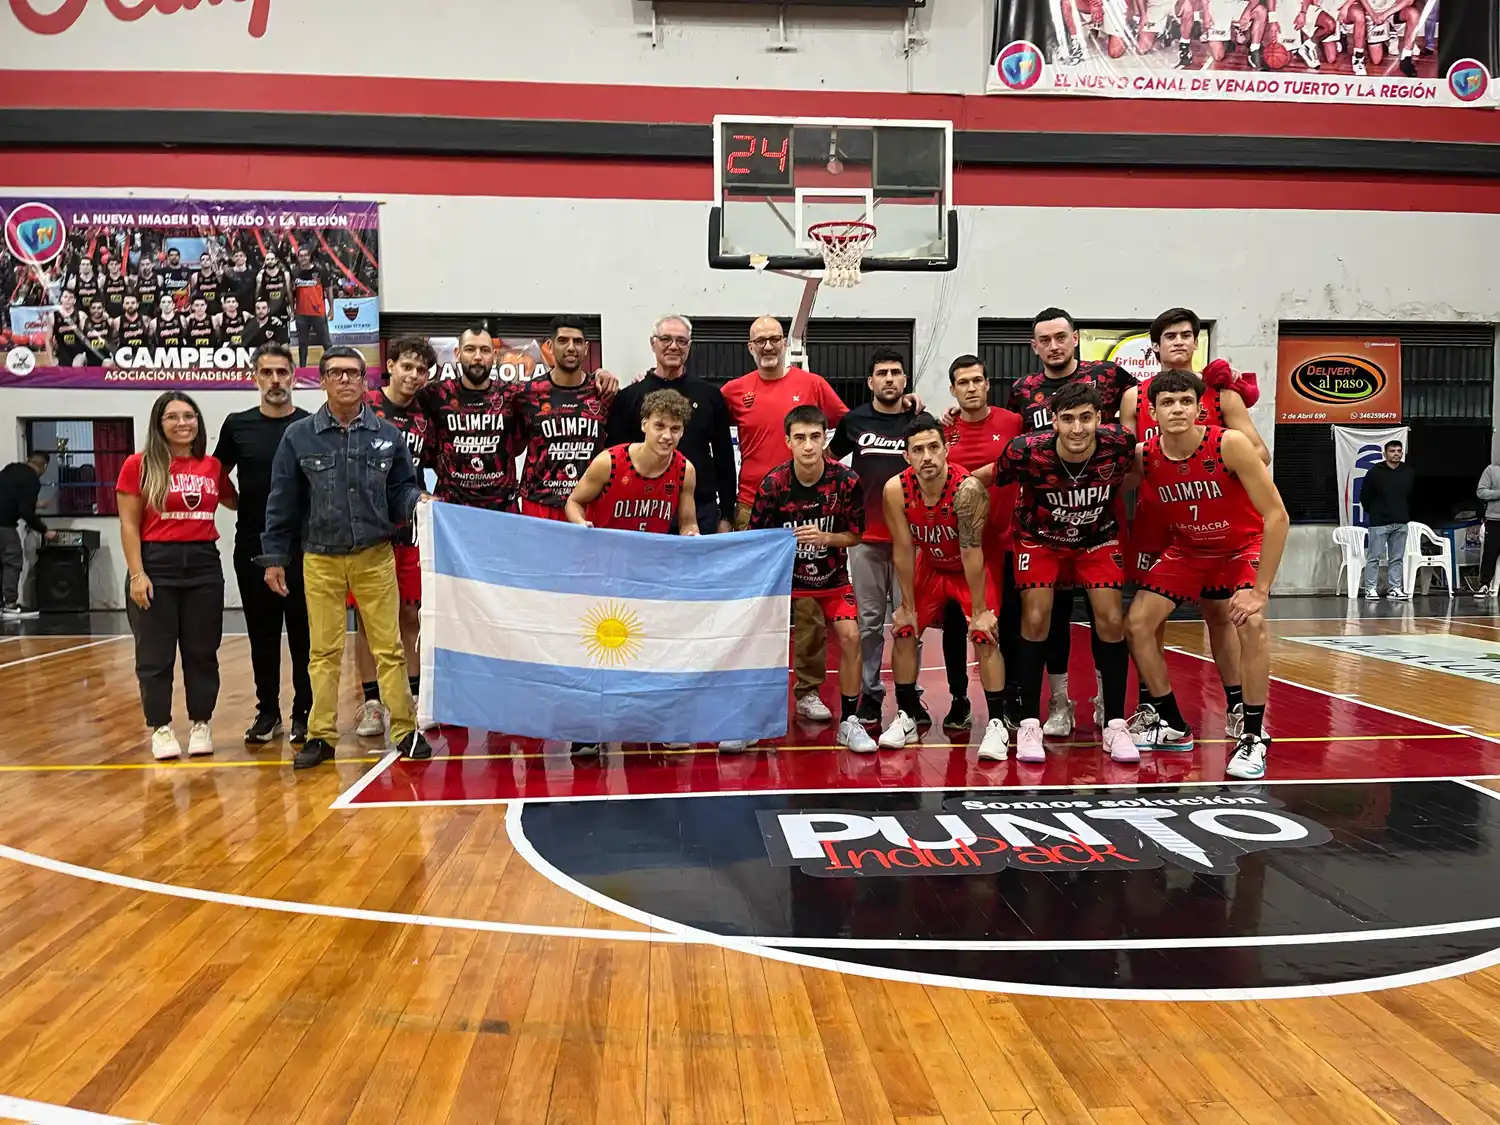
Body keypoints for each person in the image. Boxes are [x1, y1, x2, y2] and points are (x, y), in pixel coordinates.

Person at [259, 347, 431, 769]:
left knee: (389, 647)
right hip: (319, 559)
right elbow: (281, 501)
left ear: (365, 381)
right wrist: (275, 557)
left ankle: (406, 731)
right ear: (322, 381)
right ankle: (320, 735)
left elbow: (401, 490)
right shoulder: (298, 436)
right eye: (336, 373)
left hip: (375, 556)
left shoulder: (388, 436)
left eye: (354, 373)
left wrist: (419, 501)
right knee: (323, 651)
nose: (346, 380)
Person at [1125, 369, 1289, 781]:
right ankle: (1174, 725)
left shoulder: (1228, 444)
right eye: (1167, 403)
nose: (1177, 409)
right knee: (1137, 623)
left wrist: (1261, 591)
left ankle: (1252, 735)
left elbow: (1276, 516)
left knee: (1250, 622)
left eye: (1185, 402)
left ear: (1200, 408)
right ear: (1153, 412)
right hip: (1188, 550)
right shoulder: (1146, 456)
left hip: (1240, 548)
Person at [1120, 308, 1269, 737]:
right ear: (1157, 346)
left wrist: (1210, 459)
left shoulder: (1221, 394)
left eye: (1187, 335)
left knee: (1220, 615)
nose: (1179, 342)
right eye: (1170, 336)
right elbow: (1124, 458)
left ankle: (1239, 706)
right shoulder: (1136, 397)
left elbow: (1261, 454)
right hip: (1156, 515)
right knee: (1150, 619)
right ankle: (1154, 708)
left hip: (1215, 518)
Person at [975, 382, 1138, 764]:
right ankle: (1031, 722)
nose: (1077, 428)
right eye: (1068, 419)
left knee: (1112, 618)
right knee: (1035, 617)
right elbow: (984, 476)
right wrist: (954, 488)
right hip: (1039, 538)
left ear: (1100, 419)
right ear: (1053, 422)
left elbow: (1144, 472)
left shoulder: (1120, 444)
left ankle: (1115, 724)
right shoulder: (1025, 451)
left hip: (1096, 537)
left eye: (1085, 418)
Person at [1008, 308, 1135, 738]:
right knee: (1047, 618)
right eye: (1045, 339)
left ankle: (1108, 707)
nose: (1054, 345)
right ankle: (1057, 704)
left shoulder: (1109, 378)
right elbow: (1007, 439)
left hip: (1097, 520)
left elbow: (1145, 401)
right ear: (1034, 346)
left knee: (1109, 617)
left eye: (1061, 336)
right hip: (1044, 523)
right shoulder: (1024, 390)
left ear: (1076, 337)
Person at [723, 316, 849, 722]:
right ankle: (750, 690)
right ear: (749, 346)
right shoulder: (734, 391)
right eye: (759, 340)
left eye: (774, 338)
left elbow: (848, 423)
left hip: (808, 512)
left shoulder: (810, 384)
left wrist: (828, 470)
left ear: (785, 343)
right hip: (751, 510)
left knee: (809, 608)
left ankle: (809, 690)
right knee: (755, 607)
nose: (768, 346)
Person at [565, 388, 699, 757]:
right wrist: (580, 526)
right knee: (598, 652)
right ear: (644, 424)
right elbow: (574, 502)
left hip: (649, 574)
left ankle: (654, 722)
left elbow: (687, 521)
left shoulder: (684, 470)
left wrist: (691, 535)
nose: (666, 435)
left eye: (675, 428)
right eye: (659, 426)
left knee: (651, 651)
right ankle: (588, 728)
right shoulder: (609, 462)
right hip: (602, 571)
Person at [878, 415, 1009, 761]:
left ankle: (997, 723)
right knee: (904, 628)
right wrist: (906, 604)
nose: (927, 457)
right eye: (918, 450)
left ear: (946, 449)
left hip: (971, 568)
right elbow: (904, 550)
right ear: (906, 456)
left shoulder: (967, 489)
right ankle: (906, 714)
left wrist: (980, 611)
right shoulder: (895, 490)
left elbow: (972, 551)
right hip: (932, 566)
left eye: (934, 447)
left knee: (985, 634)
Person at [747, 405, 871, 754]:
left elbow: (856, 534)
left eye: (815, 437)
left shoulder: (847, 481)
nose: (808, 445)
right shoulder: (774, 484)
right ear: (788, 441)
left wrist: (827, 538)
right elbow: (757, 540)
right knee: (759, 641)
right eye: (800, 438)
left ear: (825, 439)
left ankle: (850, 721)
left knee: (850, 635)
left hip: (833, 580)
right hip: (784, 581)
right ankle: (752, 720)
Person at [117, 391, 228, 761]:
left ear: (198, 422)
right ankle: (161, 727)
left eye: (189, 416)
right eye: (173, 417)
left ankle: (201, 723)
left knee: (201, 650)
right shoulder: (139, 465)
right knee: (155, 653)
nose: (183, 423)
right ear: (159, 424)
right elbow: (129, 526)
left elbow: (237, 499)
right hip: (156, 564)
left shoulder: (212, 466)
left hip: (204, 565)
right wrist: (137, 574)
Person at [213, 342, 312, 744]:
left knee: (306, 636)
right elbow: (216, 478)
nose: (275, 380)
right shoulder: (237, 425)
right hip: (252, 547)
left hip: (305, 549)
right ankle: (267, 712)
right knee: (263, 634)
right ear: (255, 377)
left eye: (282, 373)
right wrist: (240, 505)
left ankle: (305, 712)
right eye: (267, 373)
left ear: (294, 377)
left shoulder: (310, 425)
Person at [350, 336, 437, 739]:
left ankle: (414, 697)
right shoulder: (363, 403)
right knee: (369, 621)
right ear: (391, 365)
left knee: (410, 616)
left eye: (422, 370)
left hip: (409, 530)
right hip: (367, 530)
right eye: (407, 367)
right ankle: (371, 703)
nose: (414, 376)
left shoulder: (425, 416)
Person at [829, 349, 916, 726]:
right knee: (867, 622)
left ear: (905, 380)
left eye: (896, 372)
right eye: (882, 373)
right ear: (870, 382)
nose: (889, 379)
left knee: (907, 621)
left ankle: (910, 698)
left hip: (910, 541)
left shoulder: (920, 420)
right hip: (865, 539)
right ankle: (870, 694)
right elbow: (830, 463)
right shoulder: (854, 421)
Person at [941, 355, 1024, 728]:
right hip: (956, 546)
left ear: (988, 384)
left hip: (1005, 541)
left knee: (1008, 624)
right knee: (956, 626)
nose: (971, 388)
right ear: (953, 389)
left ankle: (1011, 698)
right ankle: (959, 699)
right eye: (963, 382)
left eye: (977, 380)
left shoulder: (1012, 423)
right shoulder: (944, 431)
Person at [606, 315, 737, 533]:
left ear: (689, 346)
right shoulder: (629, 397)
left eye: (681, 341)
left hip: (700, 509)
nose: (674, 347)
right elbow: (614, 458)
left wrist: (726, 515)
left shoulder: (710, 396)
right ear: (653, 343)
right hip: (644, 508)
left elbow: (724, 458)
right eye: (666, 339)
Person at [513, 316, 608, 521]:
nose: (571, 347)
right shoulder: (527, 393)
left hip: (588, 501)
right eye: (563, 340)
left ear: (586, 348)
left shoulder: (603, 392)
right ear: (549, 346)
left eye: (577, 342)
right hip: (540, 501)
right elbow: (513, 445)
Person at [0, 453, 55, 618]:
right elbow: (25, 512)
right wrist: (44, 530)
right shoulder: (32, 480)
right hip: (4, 526)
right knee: (12, 561)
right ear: (43, 467)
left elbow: (10, 497)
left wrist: (35, 503)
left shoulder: (8, 471)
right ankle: (10, 604)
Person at [1361, 438, 1414, 599]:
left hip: (1401, 521)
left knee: (1397, 558)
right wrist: (1375, 513)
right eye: (1392, 451)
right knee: (1374, 557)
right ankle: (1370, 588)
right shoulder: (1375, 472)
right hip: (1379, 522)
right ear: (1385, 453)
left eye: (1399, 451)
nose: (1396, 454)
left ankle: (1395, 588)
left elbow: (1412, 495)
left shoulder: (1408, 472)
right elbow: (1365, 496)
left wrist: (1406, 514)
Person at [291, 246, 332, 367]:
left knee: (326, 342)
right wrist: (292, 310)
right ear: (298, 258)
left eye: (305, 255)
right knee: (302, 344)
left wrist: (332, 309)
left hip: (318, 313)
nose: (303, 258)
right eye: (300, 256)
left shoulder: (320, 271)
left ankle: (333, 364)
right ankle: (302, 368)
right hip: (301, 314)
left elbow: (329, 290)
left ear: (309, 257)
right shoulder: (294, 273)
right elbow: (291, 293)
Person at [1478, 455, 1500, 597]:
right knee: (1490, 554)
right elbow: (1481, 491)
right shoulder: (1491, 470)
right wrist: (1498, 493)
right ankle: (1485, 584)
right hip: (1495, 519)